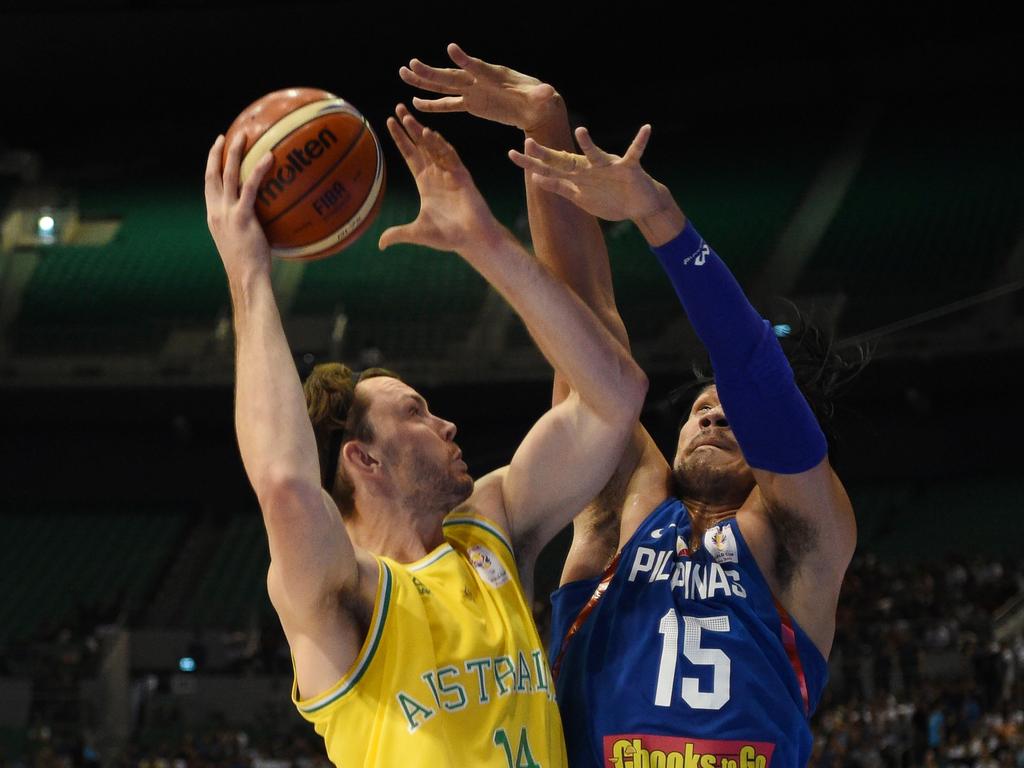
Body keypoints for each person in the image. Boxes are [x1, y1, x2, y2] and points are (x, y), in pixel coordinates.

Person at [405, 44, 861, 766]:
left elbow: (755, 373)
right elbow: (587, 341)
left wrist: (660, 217)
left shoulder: (805, 536)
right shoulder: (626, 510)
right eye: (701, 407)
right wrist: (544, 125)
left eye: (733, 413)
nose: (714, 413)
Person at [203, 102, 648, 766]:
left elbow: (615, 398)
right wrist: (248, 274)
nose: (446, 424)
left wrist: (486, 243)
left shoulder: (492, 523)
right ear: (364, 459)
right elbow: (285, 486)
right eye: (414, 412)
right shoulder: (340, 590)